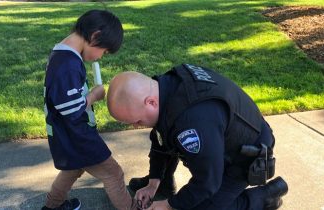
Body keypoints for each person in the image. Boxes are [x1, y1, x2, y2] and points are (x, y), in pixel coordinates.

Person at [106, 64, 289, 210]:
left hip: (245, 155)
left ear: (151, 102)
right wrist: (154, 181)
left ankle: (266, 196)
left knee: (202, 206)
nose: (138, 126)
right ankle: (165, 183)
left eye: (137, 121)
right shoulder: (166, 87)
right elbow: (161, 138)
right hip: (222, 138)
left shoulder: (191, 124)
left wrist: (170, 205)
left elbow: (207, 182)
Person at [42, 9, 136, 210]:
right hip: (78, 136)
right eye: (104, 52)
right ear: (95, 36)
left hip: (67, 136)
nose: (100, 57)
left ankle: (52, 206)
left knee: (73, 169)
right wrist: (94, 95)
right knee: (114, 174)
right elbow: (72, 110)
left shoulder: (63, 54)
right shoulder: (67, 64)